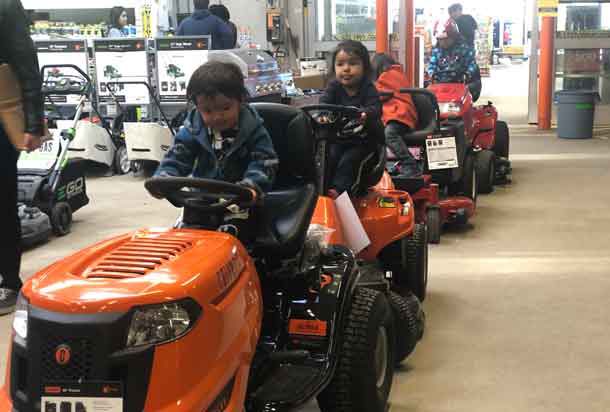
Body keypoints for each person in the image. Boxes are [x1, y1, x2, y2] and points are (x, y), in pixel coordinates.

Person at [152, 60, 278, 198]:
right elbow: (178, 156)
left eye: (225, 108)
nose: (217, 117)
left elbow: (264, 162)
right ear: (197, 106)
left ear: (240, 100)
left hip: (242, 200)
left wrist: (253, 186)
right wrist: (165, 178)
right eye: (208, 110)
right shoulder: (193, 130)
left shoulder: (253, 130)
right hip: (203, 199)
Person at [0, 0, 44, 314]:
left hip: (1, 120)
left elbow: (27, 66)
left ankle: (9, 282)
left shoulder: (5, 7)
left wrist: (33, 124)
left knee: (1, 202)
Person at [320, 40, 384, 199]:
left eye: (353, 63)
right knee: (327, 157)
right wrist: (322, 115)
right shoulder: (333, 87)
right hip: (339, 140)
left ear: (364, 67)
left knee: (349, 160)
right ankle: (322, 191)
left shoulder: (367, 88)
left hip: (364, 143)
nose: (346, 69)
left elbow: (376, 108)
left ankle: (340, 192)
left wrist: (365, 114)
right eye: (340, 64)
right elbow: (324, 104)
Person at [371, 54, 421, 178]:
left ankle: (410, 165)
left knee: (389, 135)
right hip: (400, 113)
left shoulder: (387, 76)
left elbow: (379, 94)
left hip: (399, 113)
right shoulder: (398, 73)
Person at [428, 19, 481, 100]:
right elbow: (432, 64)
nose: (443, 42)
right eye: (440, 39)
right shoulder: (436, 51)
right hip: (440, 84)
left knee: (465, 98)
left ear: (454, 37)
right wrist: (431, 73)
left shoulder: (464, 49)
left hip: (460, 83)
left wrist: (467, 73)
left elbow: (472, 63)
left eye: (446, 39)